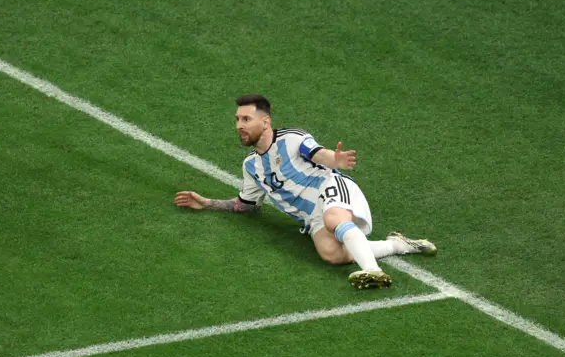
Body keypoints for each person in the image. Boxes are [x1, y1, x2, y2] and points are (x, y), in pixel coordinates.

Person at [174, 94, 437, 289]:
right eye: (237, 120)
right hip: (312, 217)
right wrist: (207, 203)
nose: (239, 125)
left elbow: (318, 154)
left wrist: (336, 160)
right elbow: (247, 205)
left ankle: (372, 271)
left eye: (246, 119)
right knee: (332, 255)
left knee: (334, 220)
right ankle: (398, 245)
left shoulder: (291, 138)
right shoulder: (251, 166)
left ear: (265, 122)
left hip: (331, 188)